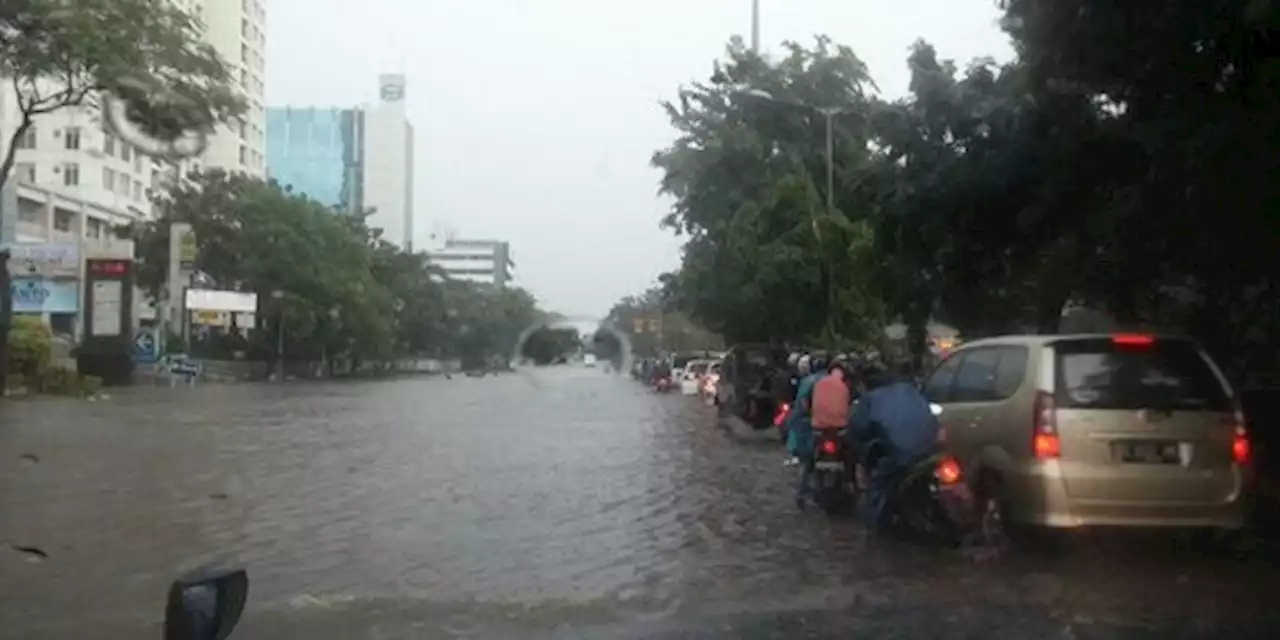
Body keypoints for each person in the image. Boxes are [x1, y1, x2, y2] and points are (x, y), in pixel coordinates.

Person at [847, 359, 940, 530]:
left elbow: (857, 428)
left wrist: (860, 452)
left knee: (878, 486)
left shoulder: (871, 399)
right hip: (927, 452)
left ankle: (877, 526)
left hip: (899, 457)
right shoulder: (911, 391)